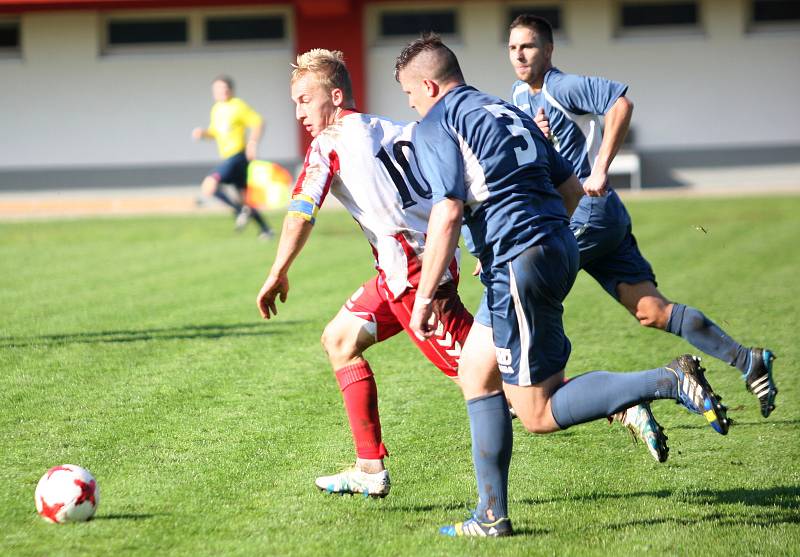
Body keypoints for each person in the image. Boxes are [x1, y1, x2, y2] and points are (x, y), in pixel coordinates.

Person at [395, 35, 729, 538]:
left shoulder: (437, 123)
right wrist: (543, 240)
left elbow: (446, 213)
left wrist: (424, 299)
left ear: (427, 85)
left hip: (518, 260)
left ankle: (666, 380)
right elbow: (571, 189)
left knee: (537, 411)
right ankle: (491, 515)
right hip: (554, 244)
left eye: (410, 95)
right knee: (474, 372)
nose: (412, 105)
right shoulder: (507, 110)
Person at [507, 14, 777, 420]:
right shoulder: (519, 96)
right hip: (600, 217)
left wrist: (599, 167)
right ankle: (747, 360)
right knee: (652, 310)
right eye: (512, 47)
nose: (519, 54)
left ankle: (532, 397)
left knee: (527, 293)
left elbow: (620, 102)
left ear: (548, 50)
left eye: (527, 46)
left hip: (587, 210)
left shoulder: (561, 85)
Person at [255, 49, 478, 498]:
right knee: (340, 339)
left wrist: (278, 270)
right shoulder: (398, 130)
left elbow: (301, 212)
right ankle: (370, 468)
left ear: (335, 97)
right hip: (399, 275)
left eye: (304, 99)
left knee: (497, 386)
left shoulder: (329, 143)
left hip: (416, 282)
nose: (298, 112)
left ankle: (615, 405)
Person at [192, 75, 273, 239]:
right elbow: (215, 132)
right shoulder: (216, 109)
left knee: (209, 184)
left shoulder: (238, 106)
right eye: (217, 89)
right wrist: (203, 134)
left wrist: (252, 143)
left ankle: (238, 212)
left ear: (230, 89)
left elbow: (258, 122)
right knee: (245, 199)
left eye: (223, 88)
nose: (220, 92)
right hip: (228, 158)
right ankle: (266, 230)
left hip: (237, 156)